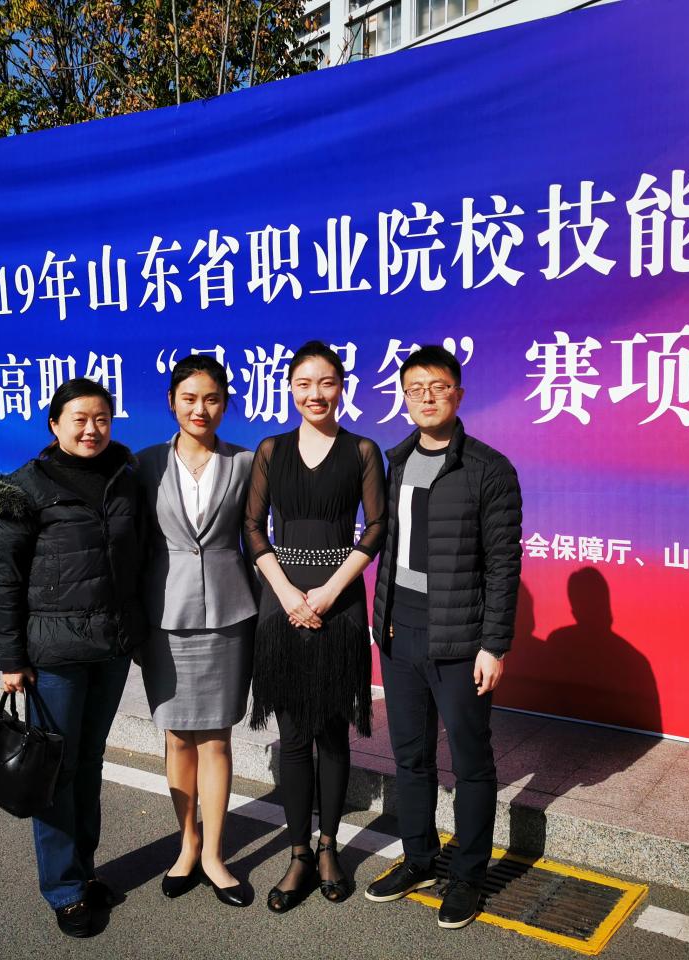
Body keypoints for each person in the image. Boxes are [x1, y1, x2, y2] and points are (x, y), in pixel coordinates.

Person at [0, 377, 146, 938]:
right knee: (55, 770)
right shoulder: (25, 487)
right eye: (79, 419)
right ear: (54, 425)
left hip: (110, 649)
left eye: (101, 418)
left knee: (89, 763)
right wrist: (10, 657)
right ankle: (64, 889)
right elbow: (4, 577)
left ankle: (85, 870)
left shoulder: (125, 478)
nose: (91, 429)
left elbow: (137, 561)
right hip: (54, 655)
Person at [364, 345, 522, 930]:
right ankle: (419, 859)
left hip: (460, 637)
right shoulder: (397, 460)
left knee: (471, 760)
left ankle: (469, 875)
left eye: (437, 387)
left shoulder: (489, 469)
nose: (426, 397)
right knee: (410, 755)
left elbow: (504, 564)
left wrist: (494, 645)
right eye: (415, 389)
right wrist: (381, 624)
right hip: (400, 630)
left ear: (458, 393)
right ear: (403, 398)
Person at [243, 340, 386, 913]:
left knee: (331, 733)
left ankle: (330, 848)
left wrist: (328, 592)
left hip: (338, 603)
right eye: (303, 384)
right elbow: (253, 527)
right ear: (290, 389)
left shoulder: (362, 450)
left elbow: (376, 527)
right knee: (294, 736)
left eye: (326, 382)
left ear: (341, 387)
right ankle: (299, 853)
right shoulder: (271, 450)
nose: (315, 394)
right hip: (281, 604)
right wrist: (286, 593)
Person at [136, 354, 257, 908]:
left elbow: (257, 538)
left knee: (216, 738)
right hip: (165, 617)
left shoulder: (246, 462)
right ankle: (186, 845)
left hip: (230, 616)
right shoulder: (144, 464)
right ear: (171, 402)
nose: (200, 409)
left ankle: (214, 855)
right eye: (189, 398)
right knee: (177, 736)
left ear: (225, 404)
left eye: (211, 398)